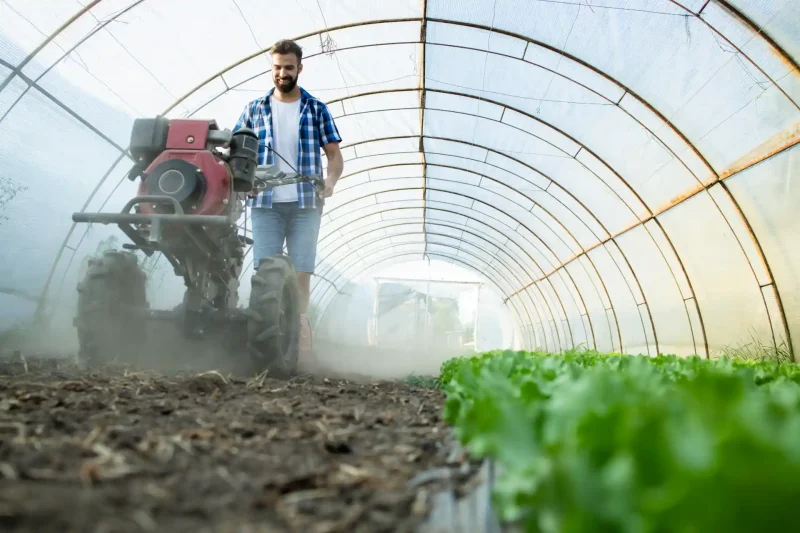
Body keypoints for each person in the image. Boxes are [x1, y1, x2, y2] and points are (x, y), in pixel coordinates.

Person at [233, 39, 344, 353]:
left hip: (306, 204)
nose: (283, 73)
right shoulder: (253, 110)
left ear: (300, 69)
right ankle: (265, 340)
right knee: (265, 273)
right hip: (265, 203)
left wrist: (330, 181)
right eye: (277, 67)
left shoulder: (316, 109)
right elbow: (238, 155)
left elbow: (334, 156)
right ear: (272, 68)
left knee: (300, 275)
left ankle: (296, 343)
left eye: (289, 67)